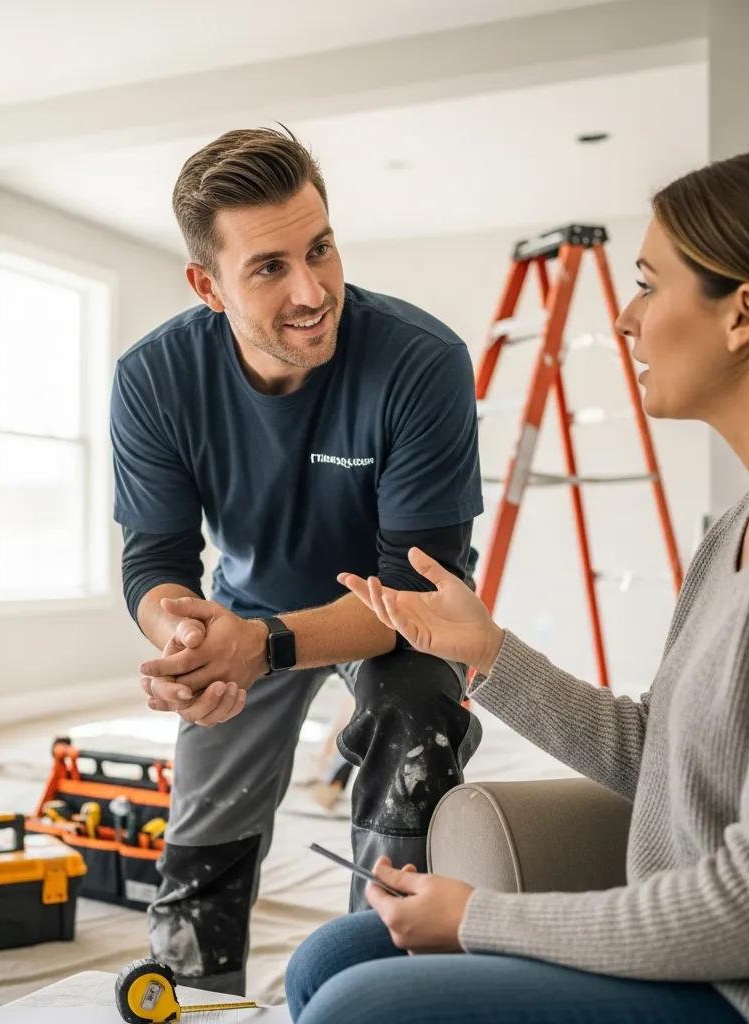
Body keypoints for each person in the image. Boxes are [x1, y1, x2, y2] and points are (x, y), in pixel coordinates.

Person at [285, 147, 749, 1023]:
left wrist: (486, 919)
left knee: (353, 1008)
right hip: (677, 944)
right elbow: (649, 757)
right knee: (329, 955)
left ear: (742, 313)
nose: (625, 320)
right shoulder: (735, 532)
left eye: (648, 285)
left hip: (741, 989)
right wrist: (488, 653)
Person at [110, 127, 484, 994]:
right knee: (199, 846)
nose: (314, 290)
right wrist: (183, 637)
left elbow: (415, 594)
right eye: (269, 267)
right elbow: (156, 556)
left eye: (320, 249)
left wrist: (260, 643)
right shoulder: (154, 379)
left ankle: (385, 987)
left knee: (415, 721)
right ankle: (196, 1001)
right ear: (208, 285)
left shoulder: (421, 363)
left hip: (397, 624)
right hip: (246, 612)